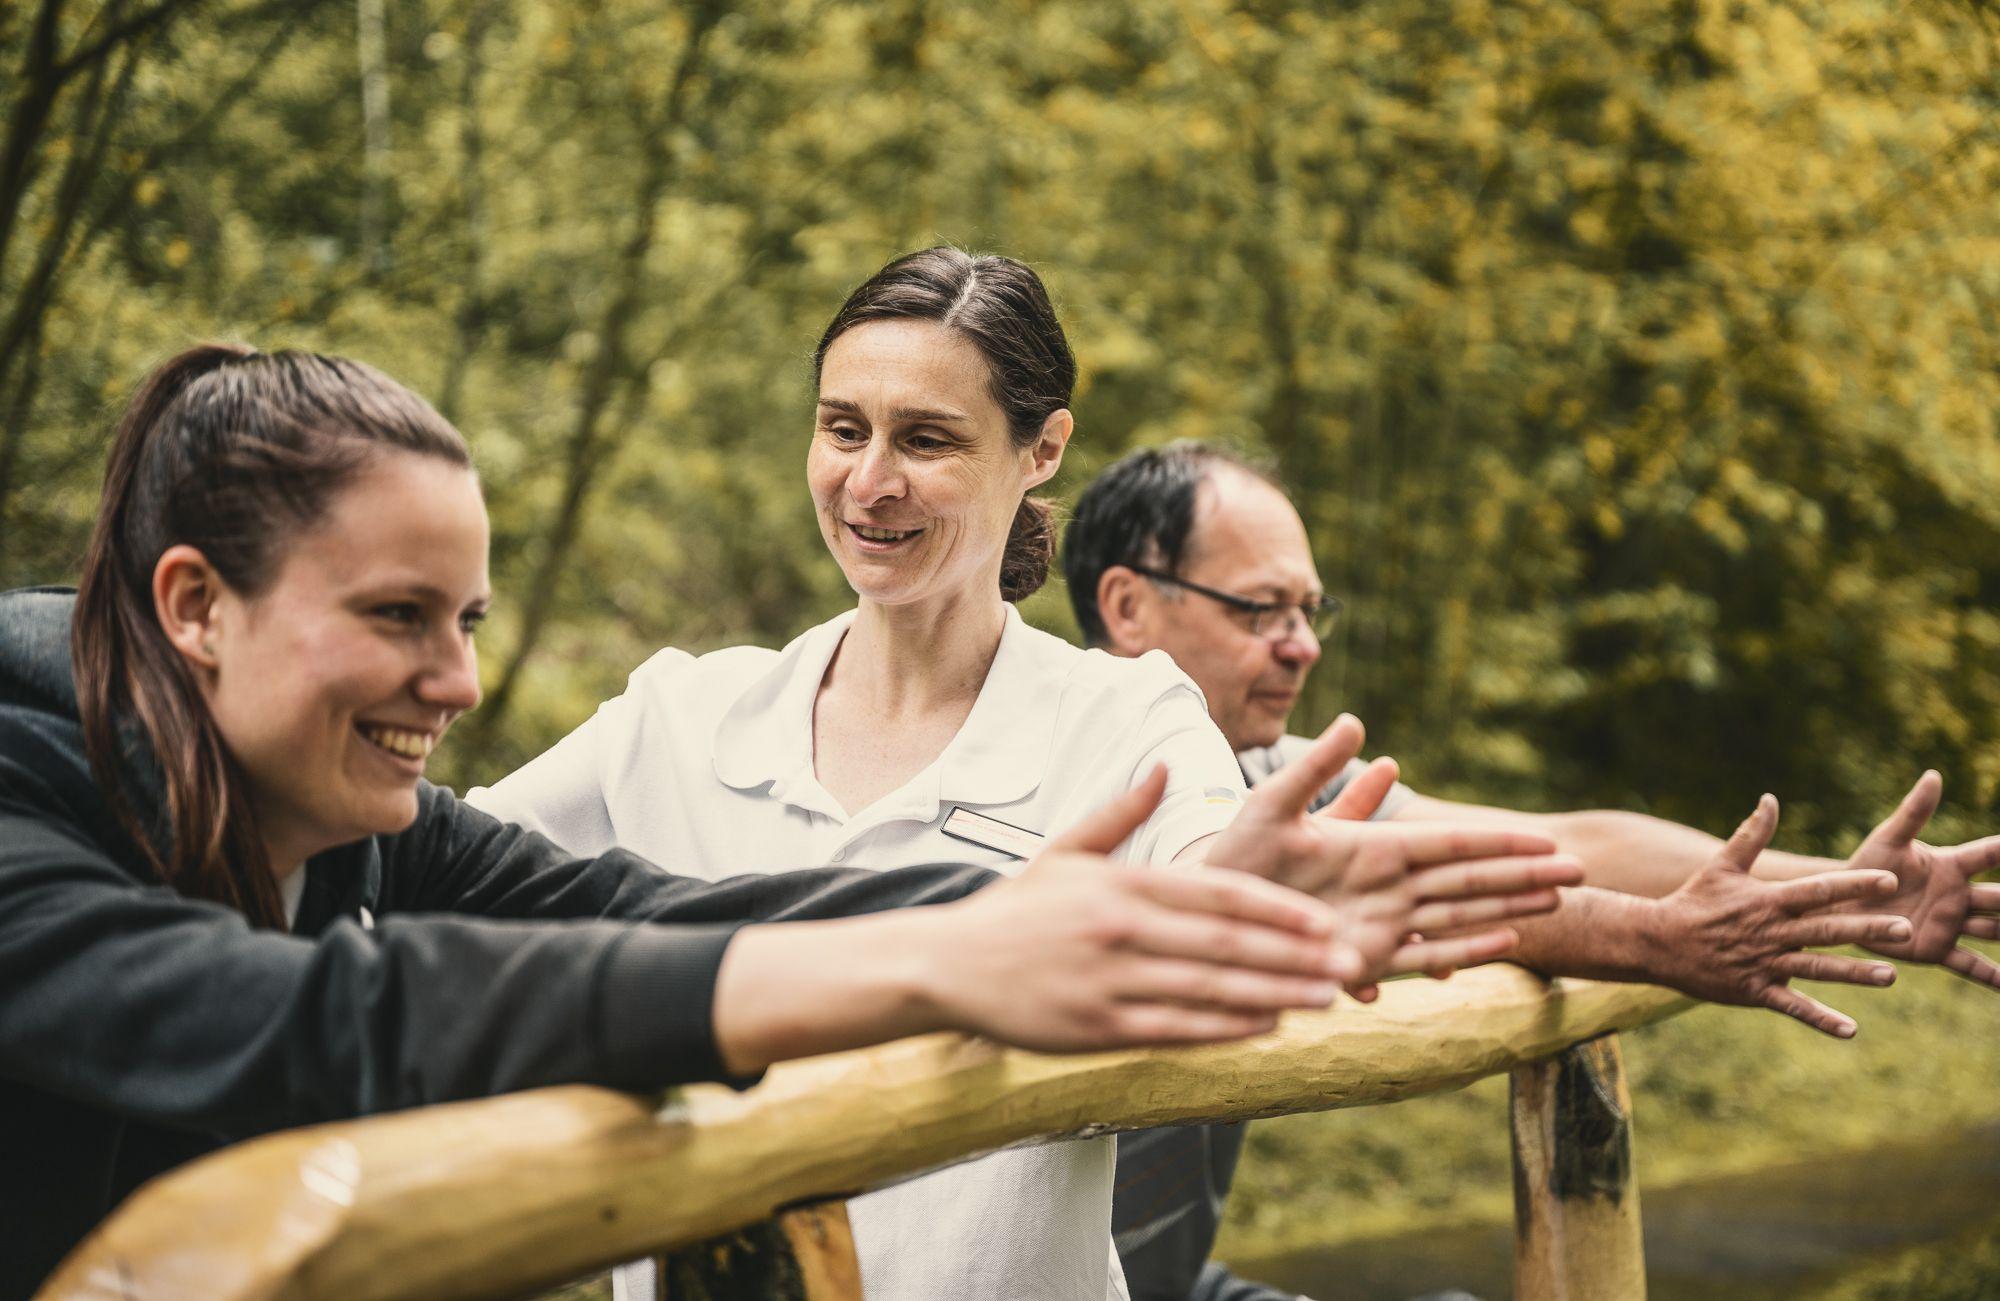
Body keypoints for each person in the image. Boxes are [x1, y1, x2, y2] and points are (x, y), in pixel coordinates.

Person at [0, 346, 1377, 1297]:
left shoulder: (340, 814)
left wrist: (1072, 912)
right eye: (397, 617)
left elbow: (649, 910)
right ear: (195, 607)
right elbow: (333, 1017)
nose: (460, 682)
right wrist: (945, 962)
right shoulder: (21, 805)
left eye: (466, 621)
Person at [469, 249, 1586, 1301]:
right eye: (842, 428)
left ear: (1042, 449)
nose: (870, 481)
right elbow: (419, 879)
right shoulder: (677, 716)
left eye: (927, 440)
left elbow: (1208, 863)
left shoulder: (1124, 717)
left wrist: (1249, 894)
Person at [1064, 440, 1999, 1301]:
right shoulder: (1059, 782)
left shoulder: (1266, 770)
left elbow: (1550, 843)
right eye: (1261, 608)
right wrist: (1657, 937)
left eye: (1311, 611)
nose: (1302, 643)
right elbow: (1437, 890)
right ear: (1129, 605)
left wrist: (1849, 887)